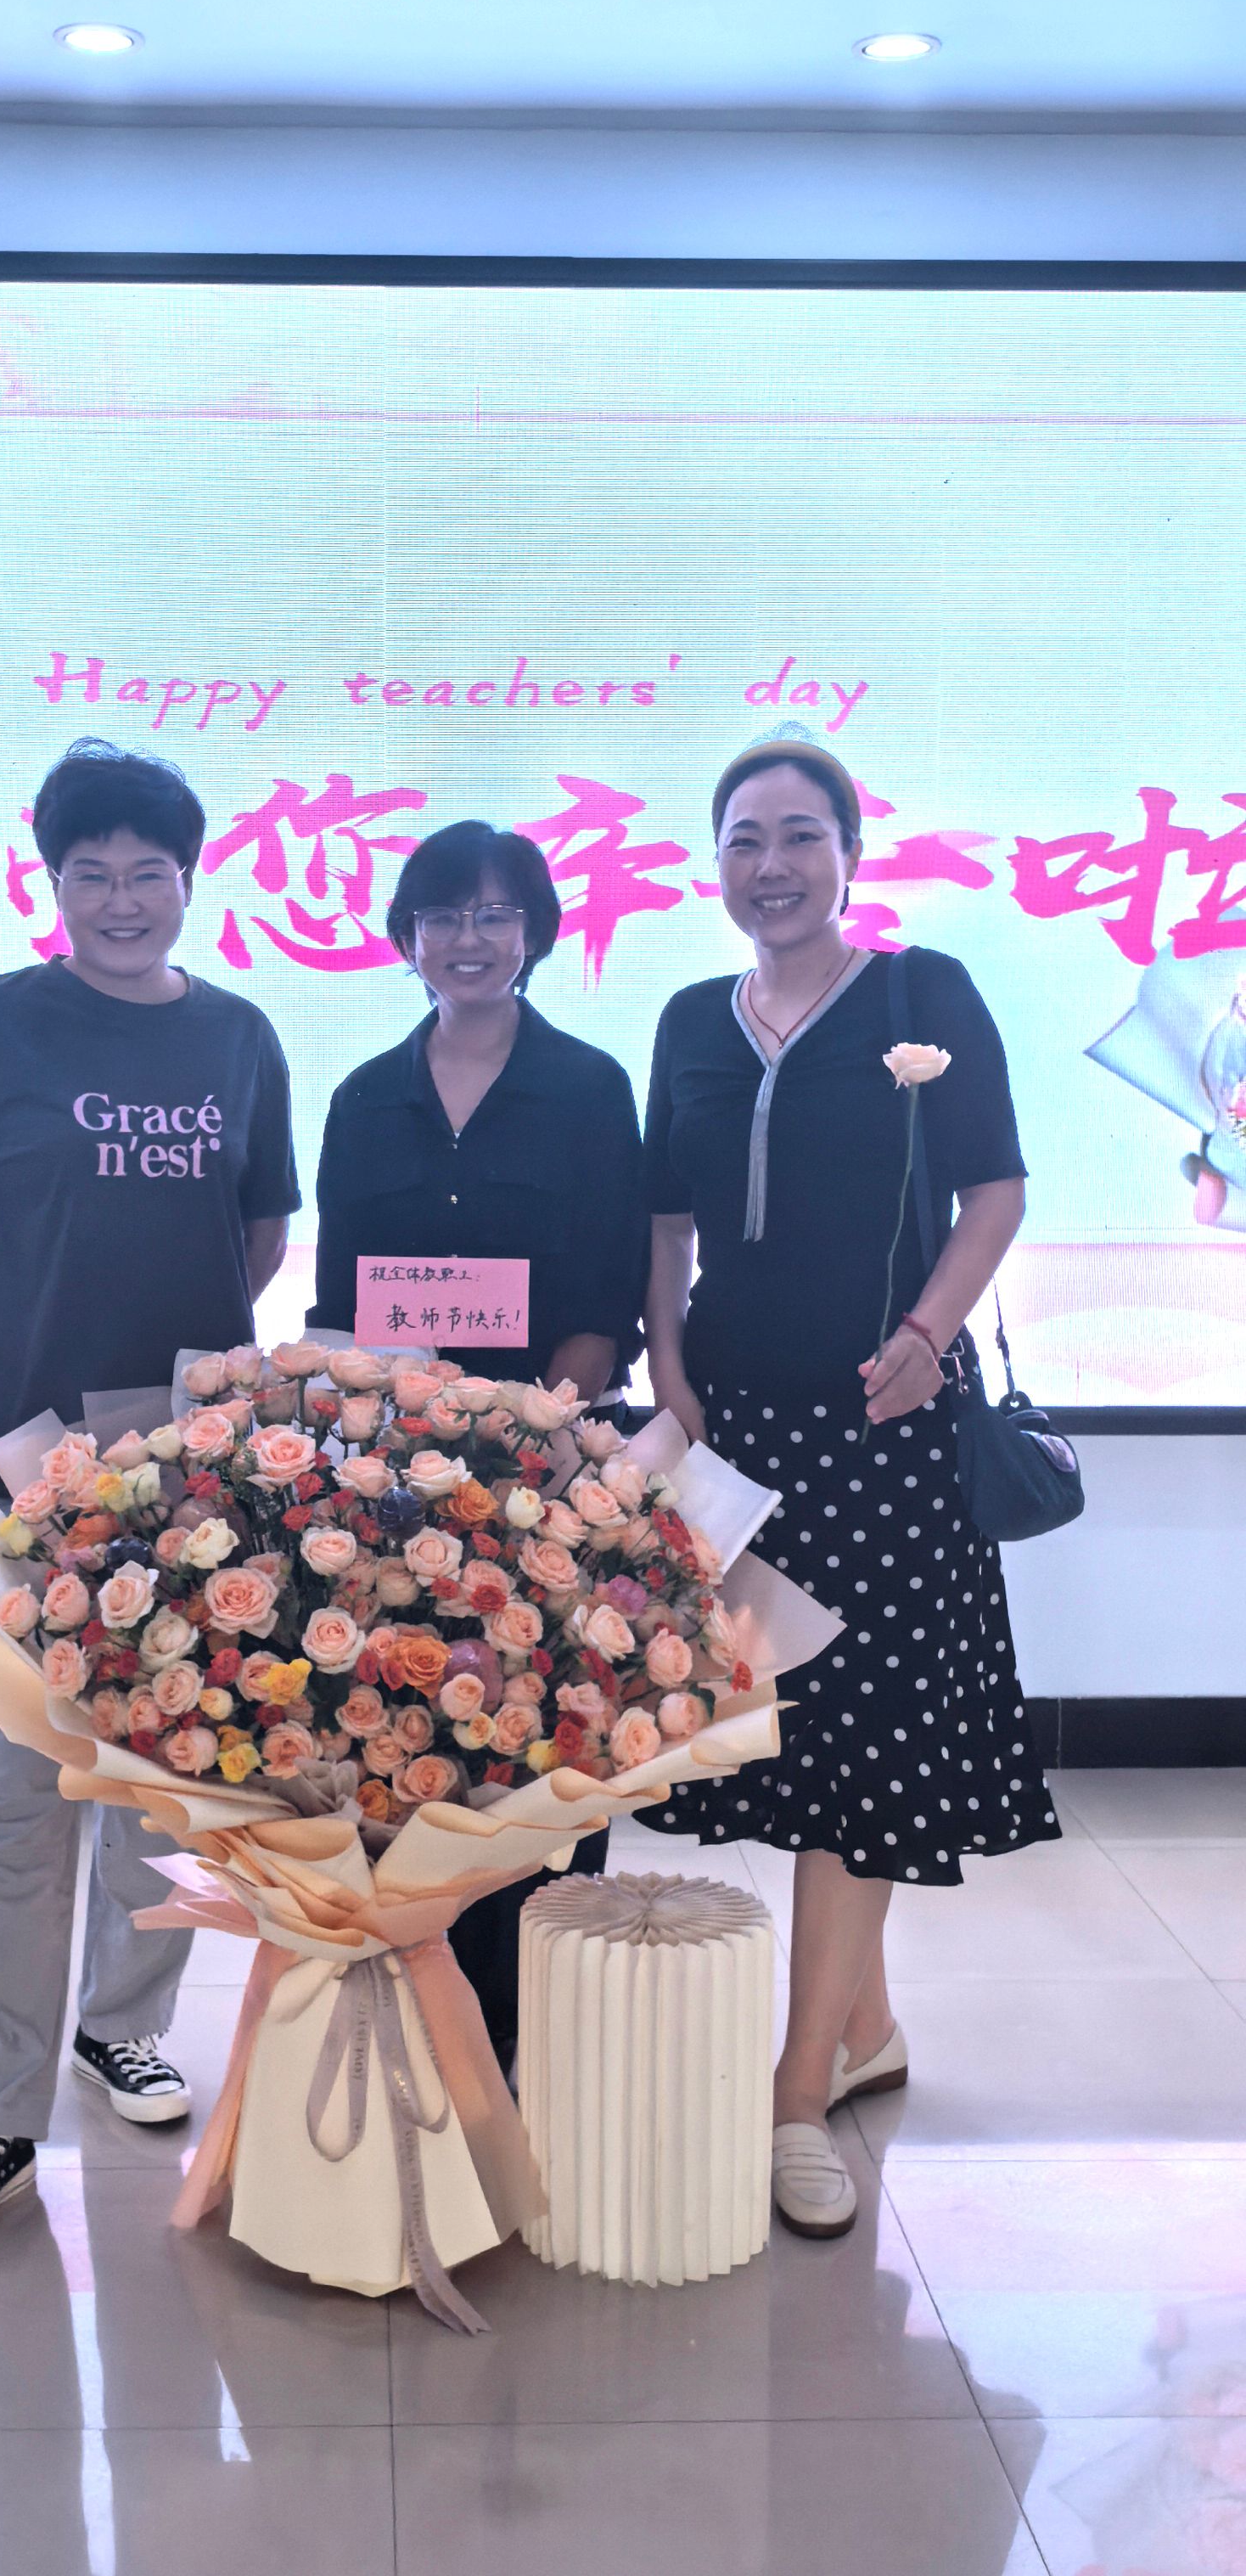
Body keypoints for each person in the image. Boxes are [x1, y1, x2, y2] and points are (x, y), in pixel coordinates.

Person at [641, 728, 1059, 2241]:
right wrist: (668, 1369)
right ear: (717, 863)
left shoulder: (919, 995)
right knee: (784, 1739)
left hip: (884, 1434)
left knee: (864, 1747)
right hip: (740, 1433)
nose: (773, 866)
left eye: (800, 834)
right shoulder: (691, 1020)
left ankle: (799, 2092)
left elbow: (994, 1187)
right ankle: (864, 2026)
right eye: (744, 839)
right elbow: (667, 1222)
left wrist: (927, 1335)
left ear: (850, 851)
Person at [0, 738, 300, 2248]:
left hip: (188, 1481)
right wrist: (17, 1352)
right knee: (17, 1805)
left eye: (149, 873)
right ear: (53, 881)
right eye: (93, 874)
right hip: (27, 1479)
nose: (123, 900)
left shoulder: (240, 1037)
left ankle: (123, 2026)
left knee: (164, 1777)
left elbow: (258, 1236)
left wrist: (163, 1405)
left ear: (191, 881)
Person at [311, 818, 648, 2067]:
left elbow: (608, 1296)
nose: (469, 938)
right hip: (397, 1485)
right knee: (412, 1740)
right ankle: (420, 2041)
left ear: (535, 933)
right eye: (444, 914)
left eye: (496, 914)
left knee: (546, 1747)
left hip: (545, 1480)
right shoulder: (363, 1099)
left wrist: (530, 1431)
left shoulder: (591, 1089)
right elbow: (339, 1306)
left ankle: (538, 2045)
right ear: (408, 936)